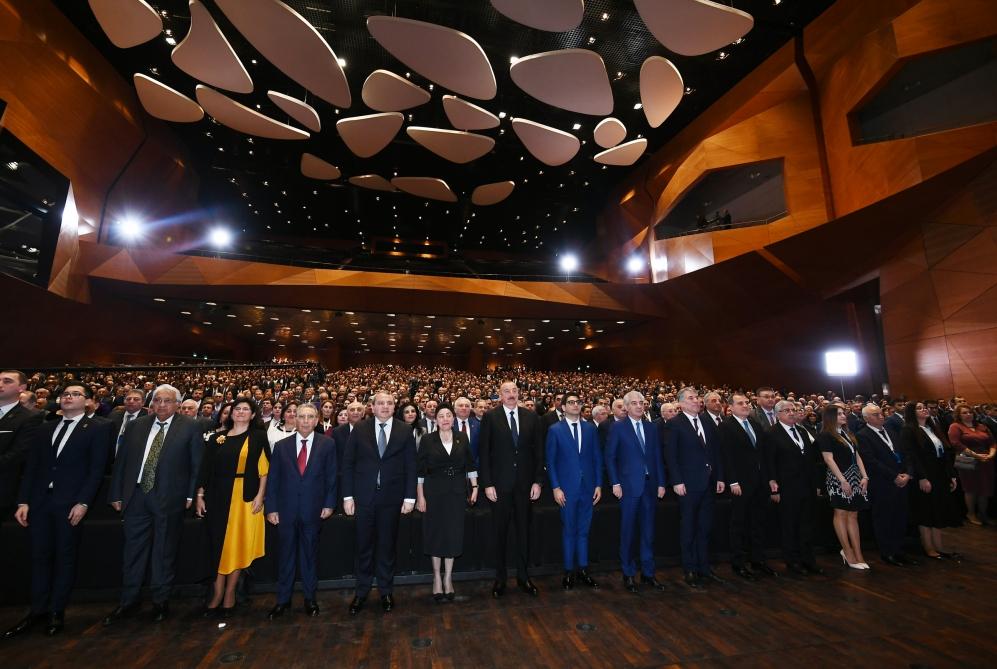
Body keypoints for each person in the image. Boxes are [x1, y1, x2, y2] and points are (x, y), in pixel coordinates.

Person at [4, 385, 110, 638]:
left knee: (64, 557)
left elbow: (96, 470)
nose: (68, 398)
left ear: (87, 401)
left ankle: (56, 611)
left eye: (75, 395)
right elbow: (32, 467)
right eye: (65, 395)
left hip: (70, 503)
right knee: (40, 557)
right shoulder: (45, 427)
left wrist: (83, 502)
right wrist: (23, 501)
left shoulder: (99, 428)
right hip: (40, 502)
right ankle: (37, 610)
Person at [103, 384, 204, 625]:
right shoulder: (136, 426)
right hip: (136, 496)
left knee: (163, 551)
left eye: (167, 401)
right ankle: (129, 601)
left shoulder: (190, 427)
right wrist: (116, 493)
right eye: (157, 400)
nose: (161, 405)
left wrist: (190, 495)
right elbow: (122, 462)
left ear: (178, 404)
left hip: (169, 498)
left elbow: (196, 464)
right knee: (133, 552)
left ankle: (160, 600)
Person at [342, 392, 416, 614]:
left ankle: (386, 591)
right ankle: (361, 592)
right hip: (363, 499)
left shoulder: (405, 430)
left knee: (387, 547)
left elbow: (411, 466)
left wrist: (410, 497)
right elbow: (348, 464)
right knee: (363, 547)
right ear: (371, 407)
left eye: (389, 403)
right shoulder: (360, 429)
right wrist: (347, 496)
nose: (385, 407)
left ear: (395, 407)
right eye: (380, 403)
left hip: (392, 499)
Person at [195, 398, 269, 618]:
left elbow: (264, 470)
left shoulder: (258, 437)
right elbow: (205, 470)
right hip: (217, 496)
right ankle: (216, 593)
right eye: (237, 408)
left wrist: (260, 496)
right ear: (230, 413)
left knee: (237, 545)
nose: (241, 412)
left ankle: (230, 593)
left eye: (246, 409)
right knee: (217, 544)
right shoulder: (217, 438)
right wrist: (200, 495)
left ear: (253, 415)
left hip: (244, 497)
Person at [264, 403, 336, 619]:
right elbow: (273, 479)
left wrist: (329, 504)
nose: (305, 420)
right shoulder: (282, 446)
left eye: (310, 417)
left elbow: (332, 477)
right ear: (294, 420)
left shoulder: (328, 444)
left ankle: (309, 598)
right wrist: (272, 508)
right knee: (285, 556)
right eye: (301, 416)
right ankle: (283, 600)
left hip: (313, 510)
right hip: (285, 511)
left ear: (317, 420)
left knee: (309, 555)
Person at [478, 381, 545, 597]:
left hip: (526, 486)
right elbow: (484, 453)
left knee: (524, 532)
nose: (511, 394)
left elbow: (539, 453)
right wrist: (487, 483)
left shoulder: (531, 417)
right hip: (499, 486)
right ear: (499, 395)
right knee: (500, 533)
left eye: (515, 391)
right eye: (506, 391)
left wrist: (538, 481)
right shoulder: (490, 417)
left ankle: (524, 577)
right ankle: (500, 578)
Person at [606, 390, 666, 593]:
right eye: (634, 403)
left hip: (650, 486)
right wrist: (615, 483)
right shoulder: (617, 427)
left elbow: (657, 456)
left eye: (642, 402)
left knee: (649, 532)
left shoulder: (651, 427)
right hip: (629, 488)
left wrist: (661, 483)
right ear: (626, 406)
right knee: (628, 532)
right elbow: (610, 458)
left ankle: (648, 573)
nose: (639, 406)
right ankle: (629, 573)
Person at [666, 387, 726, 587]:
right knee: (689, 527)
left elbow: (716, 452)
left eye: (697, 397)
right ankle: (689, 568)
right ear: (681, 403)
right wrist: (676, 481)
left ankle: (704, 568)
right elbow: (671, 456)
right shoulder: (675, 424)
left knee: (704, 527)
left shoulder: (707, 423)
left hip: (708, 484)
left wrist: (719, 477)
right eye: (691, 398)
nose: (696, 401)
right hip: (687, 485)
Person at [416, 405, 477, 601]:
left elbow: (470, 465)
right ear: (436, 420)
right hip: (433, 492)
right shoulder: (427, 439)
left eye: (448, 415)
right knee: (435, 534)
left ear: (453, 418)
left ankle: (448, 578)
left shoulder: (462, 437)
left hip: (457, 493)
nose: (445, 419)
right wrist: (420, 496)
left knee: (452, 534)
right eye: (441, 416)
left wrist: (475, 487)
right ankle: (436, 577)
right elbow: (420, 471)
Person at [545, 391, 602, 590]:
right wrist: (555, 487)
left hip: (588, 488)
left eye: (578, 402)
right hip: (566, 489)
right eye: (571, 402)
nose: (575, 405)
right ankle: (569, 571)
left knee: (584, 532)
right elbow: (550, 462)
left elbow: (597, 458)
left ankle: (583, 570)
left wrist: (598, 484)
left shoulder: (590, 429)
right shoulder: (555, 430)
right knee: (569, 530)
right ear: (563, 407)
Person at [763, 399, 824, 576]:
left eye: (793, 409)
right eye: (787, 410)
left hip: (807, 486)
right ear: (778, 414)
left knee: (807, 525)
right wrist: (774, 488)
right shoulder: (771, 433)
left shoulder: (802, 431)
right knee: (789, 525)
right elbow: (769, 463)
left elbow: (812, 460)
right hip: (787, 487)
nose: (792, 413)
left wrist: (817, 484)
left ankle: (808, 560)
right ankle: (792, 561)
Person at [719, 392, 775, 579]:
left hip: (759, 483)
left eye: (746, 402)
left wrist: (769, 479)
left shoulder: (756, 424)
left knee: (758, 523)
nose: (745, 405)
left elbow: (763, 456)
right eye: (740, 403)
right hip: (740, 484)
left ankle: (758, 560)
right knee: (739, 524)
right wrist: (733, 481)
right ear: (731, 407)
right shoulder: (726, 427)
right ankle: (738, 563)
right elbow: (726, 457)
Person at [855, 404, 916, 567]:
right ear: (867, 418)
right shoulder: (862, 435)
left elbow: (905, 454)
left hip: (901, 481)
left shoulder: (892, 432)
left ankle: (898, 550)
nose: (881, 416)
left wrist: (908, 473)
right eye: (876, 415)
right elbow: (870, 461)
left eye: (881, 414)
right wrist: (894, 476)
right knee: (884, 518)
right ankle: (887, 552)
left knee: (900, 517)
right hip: (882, 483)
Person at [901, 401, 960, 559]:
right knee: (926, 512)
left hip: (939, 474)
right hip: (925, 475)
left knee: (937, 510)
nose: (924, 410)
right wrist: (921, 477)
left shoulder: (931, 427)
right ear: (912, 413)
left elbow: (944, 452)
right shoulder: (908, 430)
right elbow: (911, 456)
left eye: (924, 407)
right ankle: (928, 547)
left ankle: (939, 546)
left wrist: (951, 474)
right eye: (919, 408)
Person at [817, 405, 871, 570]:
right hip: (839, 478)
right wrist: (842, 480)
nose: (843, 416)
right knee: (841, 513)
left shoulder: (847, 433)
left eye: (843, 413)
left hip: (855, 477)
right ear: (831, 417)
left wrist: (865, 476)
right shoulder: (825, 435)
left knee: (853, 514)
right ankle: (847, 551)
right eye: (839, 414)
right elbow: (828, 459)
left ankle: (858, 552)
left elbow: (857, 455)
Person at [0, 370, 46, 521]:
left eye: (7, 381)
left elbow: (20, 452)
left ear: (22, 388)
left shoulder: (30, 417)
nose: (0, 384)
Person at [948, 403, 995, 525]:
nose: (968, 414)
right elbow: (956, 444)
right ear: (958, 415)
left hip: (985, 460)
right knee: (970, 489)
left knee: (985, 488)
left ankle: (983, 515)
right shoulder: (955, 426)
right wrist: (976, 455)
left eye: (970, 412)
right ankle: (971, 514)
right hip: (966, 460)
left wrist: (991, 454)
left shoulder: (981, 426)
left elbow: (993, 442)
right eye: (964, 412)